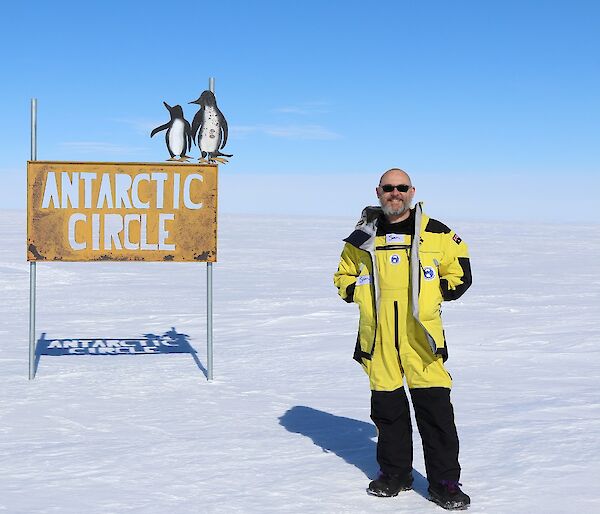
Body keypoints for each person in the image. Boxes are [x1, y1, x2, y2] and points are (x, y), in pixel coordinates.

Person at [333, 168, 472, 510]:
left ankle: (444, 483)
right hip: (379, 341)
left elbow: (461, 273)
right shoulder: (362, 237)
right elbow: (342, 276)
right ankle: (395, 474)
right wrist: (358, 292)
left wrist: (433, 294)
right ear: (378, 192)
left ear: (412, 191)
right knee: (388, 414)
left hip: (421, 341)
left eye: (401, 188)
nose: (395, 193)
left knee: (436, 414)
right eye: (388, 188)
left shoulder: (436, 233)